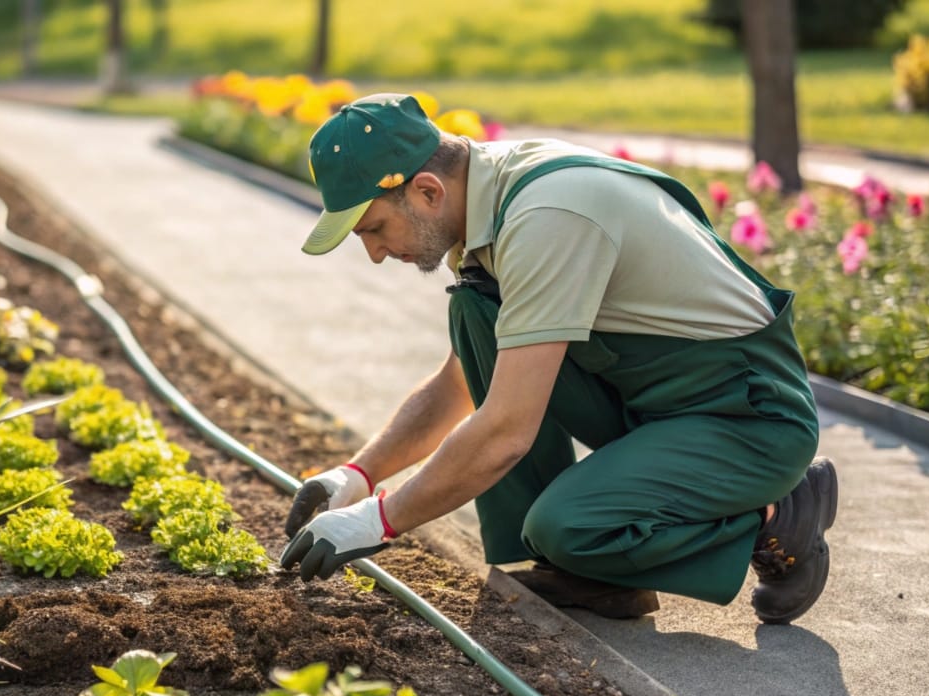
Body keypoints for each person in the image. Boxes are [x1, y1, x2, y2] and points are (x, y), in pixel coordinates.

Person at [279, 93, 838, 624]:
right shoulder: (476, 203)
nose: (374, 254)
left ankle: (776, 515)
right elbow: (461, 383)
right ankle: (594, 574)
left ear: (427, 191)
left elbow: (504, 432)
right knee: (477, 311)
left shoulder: (547, 216)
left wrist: (379, 520)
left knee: (566, 528)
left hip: (744, 413)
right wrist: (356, 476)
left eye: (373, 228)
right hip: (656, 395)